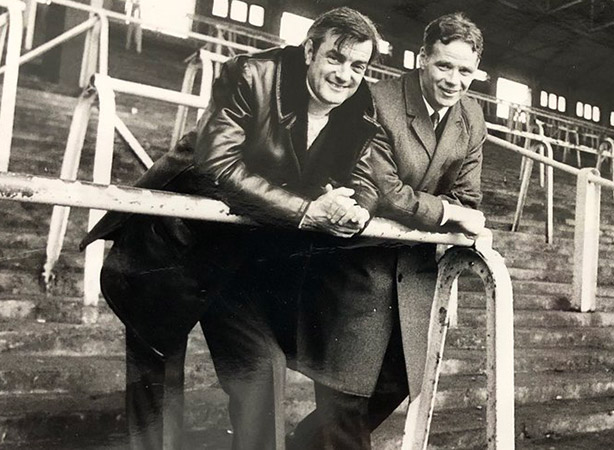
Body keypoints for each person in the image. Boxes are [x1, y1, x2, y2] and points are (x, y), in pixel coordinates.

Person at [79, 7, 381, 449]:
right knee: (158, 395)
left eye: (358, 65)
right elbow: (217, 166)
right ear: (310, 50)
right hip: (171, 248)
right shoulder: (251, 74)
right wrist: (305, 211)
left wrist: (356, 209)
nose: (345, 75)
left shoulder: (360, 103)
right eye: (335, 58)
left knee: (262, 371)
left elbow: (366, 176)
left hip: (239, 261)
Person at [285, 12, 487, 449]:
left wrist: (451, 210)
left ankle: (302, 442)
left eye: (465, 71)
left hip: (414, 281)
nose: (454, 80)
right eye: (444, 66)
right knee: (347, 406)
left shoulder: (471, 117)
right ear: (421, 60)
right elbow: (385, 190)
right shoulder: (376, 99)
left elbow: (470, 201)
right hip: (355, 273)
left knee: (395, 385)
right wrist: (445, 210)